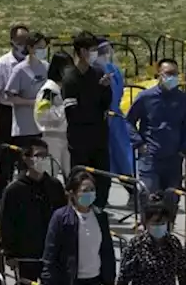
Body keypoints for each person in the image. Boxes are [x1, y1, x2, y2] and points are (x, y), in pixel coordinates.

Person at [0, 138, 67, 285]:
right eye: (37, 155)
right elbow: (7, 223)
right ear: (26, 158)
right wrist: (8, 253)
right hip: (25, 255)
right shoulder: (15, 190)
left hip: (51, 256)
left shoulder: (55, 187)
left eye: (45, 156)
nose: (42, 160)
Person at [127, 59, 186, 196]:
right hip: (150, 158)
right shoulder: (146, 97)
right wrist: (139, 144)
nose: (172, 77)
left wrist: (183, 150)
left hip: (173, 160)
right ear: (159, 75)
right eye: (168, 73)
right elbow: (128, 121)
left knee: (171, 200)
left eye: (175, 74)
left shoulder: (183, 100)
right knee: (150, 199)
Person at [61, 32, 114, 209]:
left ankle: (99, 210)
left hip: (99, 138)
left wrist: (106, 89)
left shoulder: (98, 74)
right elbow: (74, 113)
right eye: (91, 50)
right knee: (81, 179)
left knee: (104, 179)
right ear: (82, 51)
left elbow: (105, 105)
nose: (94, 54)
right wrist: (94, 99)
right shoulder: (70, 79)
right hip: (80, 140)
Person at [0, 24, 31, 191]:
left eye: (27, 41)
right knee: (3, 160)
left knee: (26, 159)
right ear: (12, 41)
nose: (24, 45)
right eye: (20, 41)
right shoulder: (2, 65)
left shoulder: (34, 63)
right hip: (7, 114)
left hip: (27, 115)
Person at [3, 32, 49, 161]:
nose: (42, 51)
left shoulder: (46, 67)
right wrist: (32, 102)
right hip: (25, 128)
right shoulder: (20, 70)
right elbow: (10, 96)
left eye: (44, 47)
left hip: (42, 125)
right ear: (30, 48)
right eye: (39, 47)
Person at [97, 40, 134, 179]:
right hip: (101, 118)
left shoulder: (113, 69)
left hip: (115, 118)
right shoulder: (95, 71)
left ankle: (131, 188)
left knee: (122, 156)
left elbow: (119, 91)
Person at [35, 52, 72, 176]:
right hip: (52, 137)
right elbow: (42, 115)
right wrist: (65, 108)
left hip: (67, 137)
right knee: (49, 174)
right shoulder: (49, 90)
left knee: (72, 175)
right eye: (68, 68)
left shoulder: (66, 87)